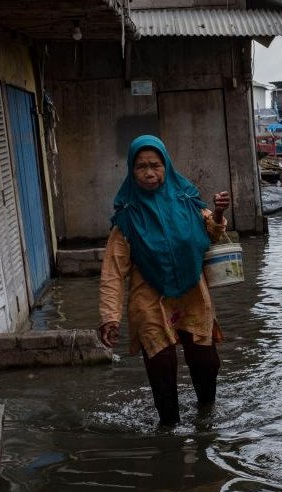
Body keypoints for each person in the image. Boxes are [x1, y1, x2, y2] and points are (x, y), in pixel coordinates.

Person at [98, 135, 232, 426]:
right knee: (162, 368)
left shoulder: (187, 201)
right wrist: (110, 317)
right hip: (149, 298)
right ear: (132, 172)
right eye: (141, 167)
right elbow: (112, 272)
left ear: (166, 167)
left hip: (192, 293)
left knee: (206, 362)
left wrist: (219, 212)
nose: (149, 173)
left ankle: (206, 420)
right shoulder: (127, 218)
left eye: (155, 165)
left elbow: (213, 232)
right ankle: (169, 429)